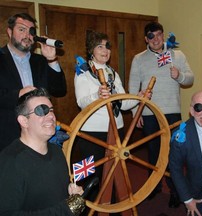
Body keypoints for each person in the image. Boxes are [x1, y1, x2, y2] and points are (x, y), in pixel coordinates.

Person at [74, 31, 149, 208]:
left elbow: (122, 104)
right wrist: (97, 95)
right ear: (91, 50)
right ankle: (90, 209)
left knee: (115, 173)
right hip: (92, 133)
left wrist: (139, 97)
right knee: (91, 174)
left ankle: (112, 207)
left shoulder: (113, 74)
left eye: (107, 46)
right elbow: (81, 102)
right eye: (100, 46)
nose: (105, 50)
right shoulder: (83, 71)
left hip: (116, 130)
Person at [128, 21, 194, 207]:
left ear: (163, 35)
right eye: (151, 36)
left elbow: (190, 78)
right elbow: (133, 88)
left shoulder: (177, 54)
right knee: (153, 153)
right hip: (149, 114)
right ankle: (153, 187)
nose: (156, 39)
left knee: (175, 155)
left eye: (159, 35)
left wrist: (179, 75)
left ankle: (176, 191)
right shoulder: (139, 59)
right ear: (145, 39)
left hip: (172, 114)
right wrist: (136, 111)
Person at [0, 88, 84, 216]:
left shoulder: (57, 151)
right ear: (24, 121)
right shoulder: (11, 162)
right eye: (41, 110)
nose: (51, 116)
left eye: (51, 110)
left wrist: (69, 192)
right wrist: (66, 209)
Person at [0, 13, 67, 152]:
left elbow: (60, 90)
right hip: (7, 137)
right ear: (9, 31)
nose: (27, 34)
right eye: (21, 29)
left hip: (41, 137)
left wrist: (52, 59)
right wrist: (19, 94)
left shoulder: (40, 61)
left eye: (31, 31)